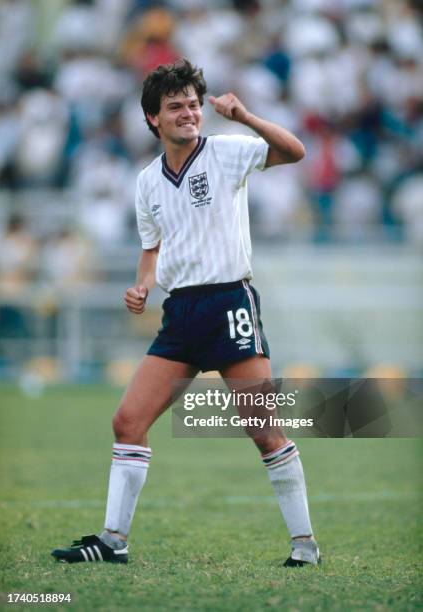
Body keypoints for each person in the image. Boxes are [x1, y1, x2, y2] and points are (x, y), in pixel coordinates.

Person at [52, 59, 320, 567]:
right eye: (175, 106)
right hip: (181, 313)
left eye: (194, 104)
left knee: (263, 429)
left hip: (228, 303)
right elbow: (152, 248)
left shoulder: (226, 151)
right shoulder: (148, 181)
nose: (189, 113)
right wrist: (141, 286)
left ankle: (305, 545)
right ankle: (113, 541)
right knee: (128, 420)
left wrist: (246, 117)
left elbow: (295, 151)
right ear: (153, 118)